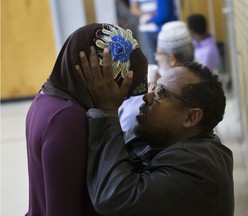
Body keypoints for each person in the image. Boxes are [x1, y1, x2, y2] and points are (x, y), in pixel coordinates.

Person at [75, 48, 235, 215]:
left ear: (190, 117)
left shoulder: (199, 168)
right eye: (154, 87)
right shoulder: (160, 136)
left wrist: (106, 111)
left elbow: (115, 197)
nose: (147, 97)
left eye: (160, 93)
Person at [25, 23, 148, 215]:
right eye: (117, 86)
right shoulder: (67, 119)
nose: (120, 98)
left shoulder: (50, 97)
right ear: (94, 75)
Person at [118, 20, 194, 131]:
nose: (157, 58)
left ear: (172, 59)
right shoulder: (199, 79)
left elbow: (125, 127)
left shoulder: (153, 99)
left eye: (158, 53)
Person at [130, 0, 178, 64]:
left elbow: (164, 14)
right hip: (148, 28)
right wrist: (148, 16)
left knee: (167, 56)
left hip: (163, 28)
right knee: (152, 57)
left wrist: (151, 19)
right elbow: (134, 8)